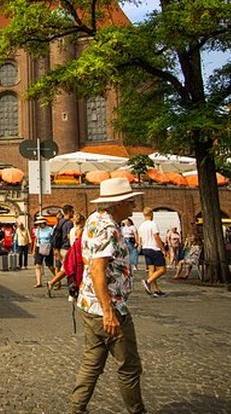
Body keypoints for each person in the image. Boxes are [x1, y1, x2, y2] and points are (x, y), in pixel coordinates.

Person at [71, 177, 146, 414]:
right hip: (109, 307)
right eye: (130, 201)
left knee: (93, 360)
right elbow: (97, 269)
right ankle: (137, 411)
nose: (133, 205)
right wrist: (108, 311)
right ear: (117, 204)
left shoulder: (94, 219)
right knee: (129, 366)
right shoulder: (108, 228)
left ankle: (76, 409)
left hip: (88, 303)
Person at [47, 211, 84, 296]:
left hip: (68, 250)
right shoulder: (79, 230)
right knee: (70, 270)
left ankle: (52, 283)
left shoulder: (72, 230)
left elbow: (68, 237)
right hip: (75, 252)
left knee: (66, 269)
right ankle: (72, 287)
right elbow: (78, 240)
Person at [139, 207, 169, 297]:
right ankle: (147, 281)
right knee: (162, 270)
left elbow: (139, 239)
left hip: (145, 248)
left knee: (152, 269)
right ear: (152, 214)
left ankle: (156, 290)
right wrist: (163, 249)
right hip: (154, 249)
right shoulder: (152, 224)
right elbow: (156, 237)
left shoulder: (141, 226)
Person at [51, 205, 74, 289]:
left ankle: (56, 282)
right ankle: (52, 282)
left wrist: (55, 249)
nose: (73, 213)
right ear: (68, 212)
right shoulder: (69, 223)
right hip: (67, 248)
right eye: (72, 211)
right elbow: (69, 236)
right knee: (69, 267)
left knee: (64, 267)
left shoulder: (60, 222)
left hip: (60, 248)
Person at [32, 217, 54, 288]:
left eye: (40, 223)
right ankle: (39, 282)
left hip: (48, 247)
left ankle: (57, 278)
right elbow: (36, 240)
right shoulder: (37, 230)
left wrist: (53, 248)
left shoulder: (50, 229)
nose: (39, 225)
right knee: (38, 265)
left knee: (50, 266)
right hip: (39, 247)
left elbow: (53, 239)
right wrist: (34, 249)